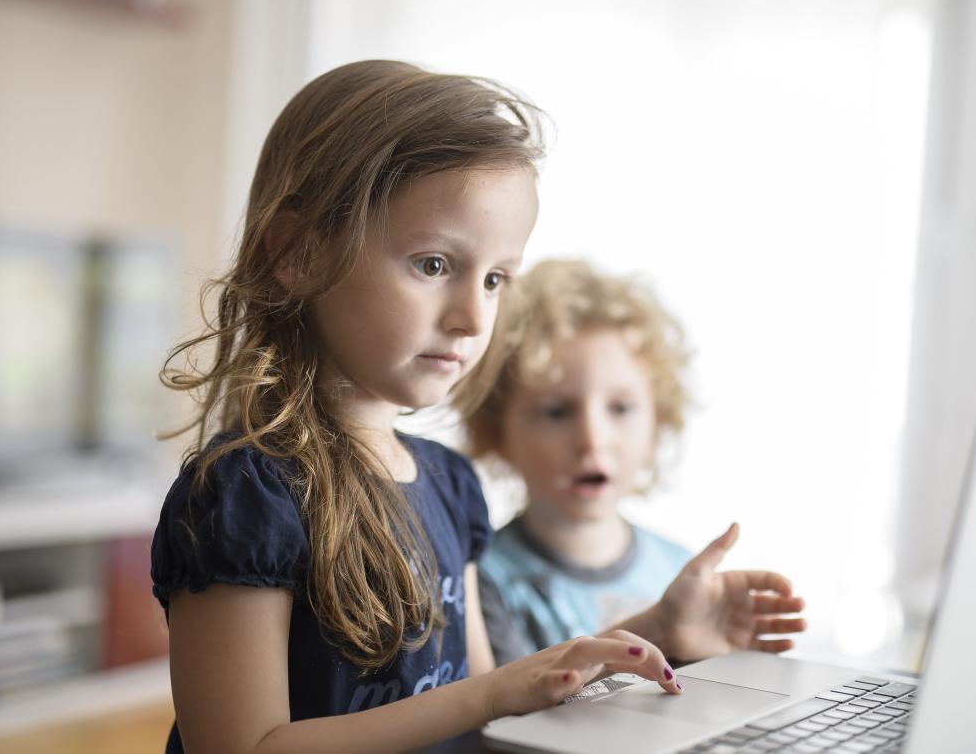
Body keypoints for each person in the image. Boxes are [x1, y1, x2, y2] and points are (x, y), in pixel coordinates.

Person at [149, 60, 804, 753]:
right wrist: (492, 693)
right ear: (298, 253)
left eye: (495, 278)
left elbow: (503, 718)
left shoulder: (450, 485)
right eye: (433, 265)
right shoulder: (244, 496)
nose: (471, 316)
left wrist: (655, 635)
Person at [467, 259, 722, 665]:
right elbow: (510, 716)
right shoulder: (483, 583)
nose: (592, 439)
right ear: (497, 432)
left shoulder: (677, 569)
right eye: (556, 412)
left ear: (658, 420)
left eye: (620, 408)